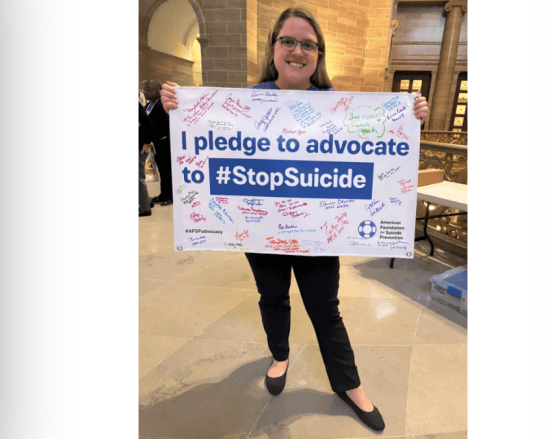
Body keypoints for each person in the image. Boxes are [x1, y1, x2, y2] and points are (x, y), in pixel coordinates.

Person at [160, 7, 429, 432]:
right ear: (274, 49)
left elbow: (381, 150)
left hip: (317, 233)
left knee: (325, 308)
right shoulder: (247, 102)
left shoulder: (339, 106)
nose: (298, 50)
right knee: (273, 298)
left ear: (318, 54)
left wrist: (411, 119)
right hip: (262, 228)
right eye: (288, 41)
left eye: (308, 44)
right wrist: (174, 106)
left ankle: (349, 384)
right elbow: (202, 138)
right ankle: (280, 355)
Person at [143, 80, 173, 206]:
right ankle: (163, 193)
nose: (144, 93)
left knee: (167, 171)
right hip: (156, 144)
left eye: (145, 90)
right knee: (161, 170)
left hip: (164, 143)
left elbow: (164, 126)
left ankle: (170, 195)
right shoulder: (151, 105)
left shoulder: (160, 106)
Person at [139, 102, 159, 217]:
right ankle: (144, 203)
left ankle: (145, 208)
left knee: (138, 178)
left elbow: (149, 124)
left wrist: (147, 142)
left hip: (140, 146)